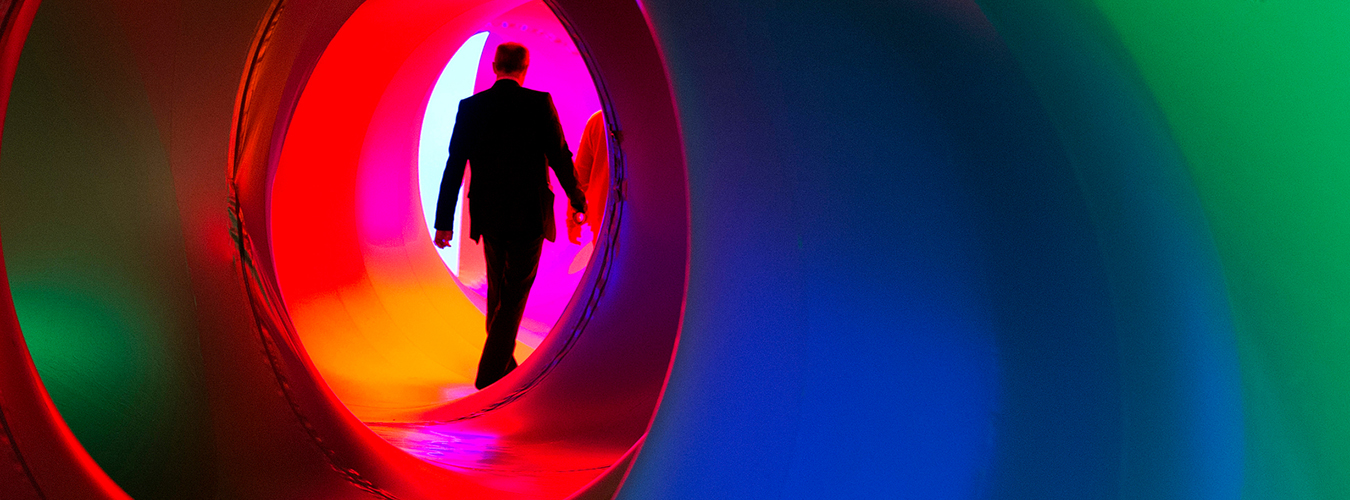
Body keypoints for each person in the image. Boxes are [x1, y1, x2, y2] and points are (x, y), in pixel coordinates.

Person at [433, 42, 587, 390]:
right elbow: (560, 156)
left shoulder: (471, 108)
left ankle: (506, 369)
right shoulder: (539, 103)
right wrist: (577, 199)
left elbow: (454, 164)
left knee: (500, 293)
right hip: (529, 213)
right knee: (514, 292)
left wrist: (444, 221)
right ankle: (489, 375)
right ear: (525, 68)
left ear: (493, 66)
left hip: (489, 213)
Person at [567, 110, 609, 244]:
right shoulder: (648, 118)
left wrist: (573, 218)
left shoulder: (597, 120)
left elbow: (580, 177)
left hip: (603, 217)